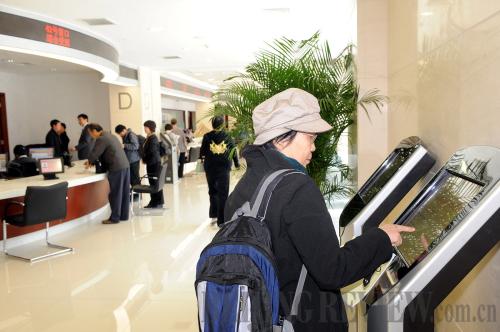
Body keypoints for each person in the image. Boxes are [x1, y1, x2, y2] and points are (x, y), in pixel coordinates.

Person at [224, 88, 414, 332]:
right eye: (310, 138)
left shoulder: (244, 187)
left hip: (260, 317)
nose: (313, 147)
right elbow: (332, 270)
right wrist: (382, 238)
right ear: (282, 137)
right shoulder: (297, 188)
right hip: (300, 320)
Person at [85, 123, 130, 224]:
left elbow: (95, 153)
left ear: (94, 131)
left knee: (115, 193)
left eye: (90, 133)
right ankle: (123, 216)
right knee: (123, 192)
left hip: (116, 167)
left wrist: (89, 161)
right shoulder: (111, 135)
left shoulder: (101, 139)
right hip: (124, 165)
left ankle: (114, 218)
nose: (91, 136)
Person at [200, 116, 239, 226]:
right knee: (223, 193)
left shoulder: (207, 136)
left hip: (210, 167)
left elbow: (202, 152)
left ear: (212, 124)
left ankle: (213, 215)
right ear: (222, 125)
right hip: (224, 167)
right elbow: (233, 151)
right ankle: (221, 220)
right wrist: (236, 163)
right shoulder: (227, 136)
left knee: (212, 191)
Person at [142, 120, 164, 208]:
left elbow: (152, 152)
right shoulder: (149, 137)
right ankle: (157, 201)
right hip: (153, 163)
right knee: (154, 183)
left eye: (146, 127)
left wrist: (145, 159)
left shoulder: (153, 138)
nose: (144, 129)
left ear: (150, 128)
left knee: (154, 183)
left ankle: (156, 202)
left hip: (154, 164)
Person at [115, 125, 141, 189]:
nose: (120, 135)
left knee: (135, 178)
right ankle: (134, 194)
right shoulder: (126, 135)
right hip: (130, 160)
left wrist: (124, 145)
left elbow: (136, 146)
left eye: (120, 133)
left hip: (134, 160)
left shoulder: (131, 135)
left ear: (124, 130)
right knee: (131, 178)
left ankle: (137, 195)